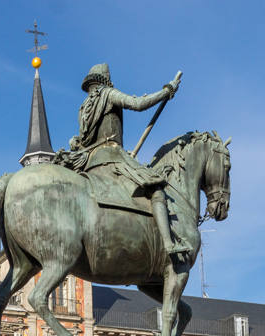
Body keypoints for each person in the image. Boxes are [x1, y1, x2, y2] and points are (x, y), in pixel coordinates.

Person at [63, 63, 189, 259]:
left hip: (91, 163)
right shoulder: (108, 94)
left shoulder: (84, 107)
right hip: (113, 158)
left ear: (89, 84)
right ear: (105, 80)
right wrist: (167, 91)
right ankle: (168, 244)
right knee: (155, 188)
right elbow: (137, 104)